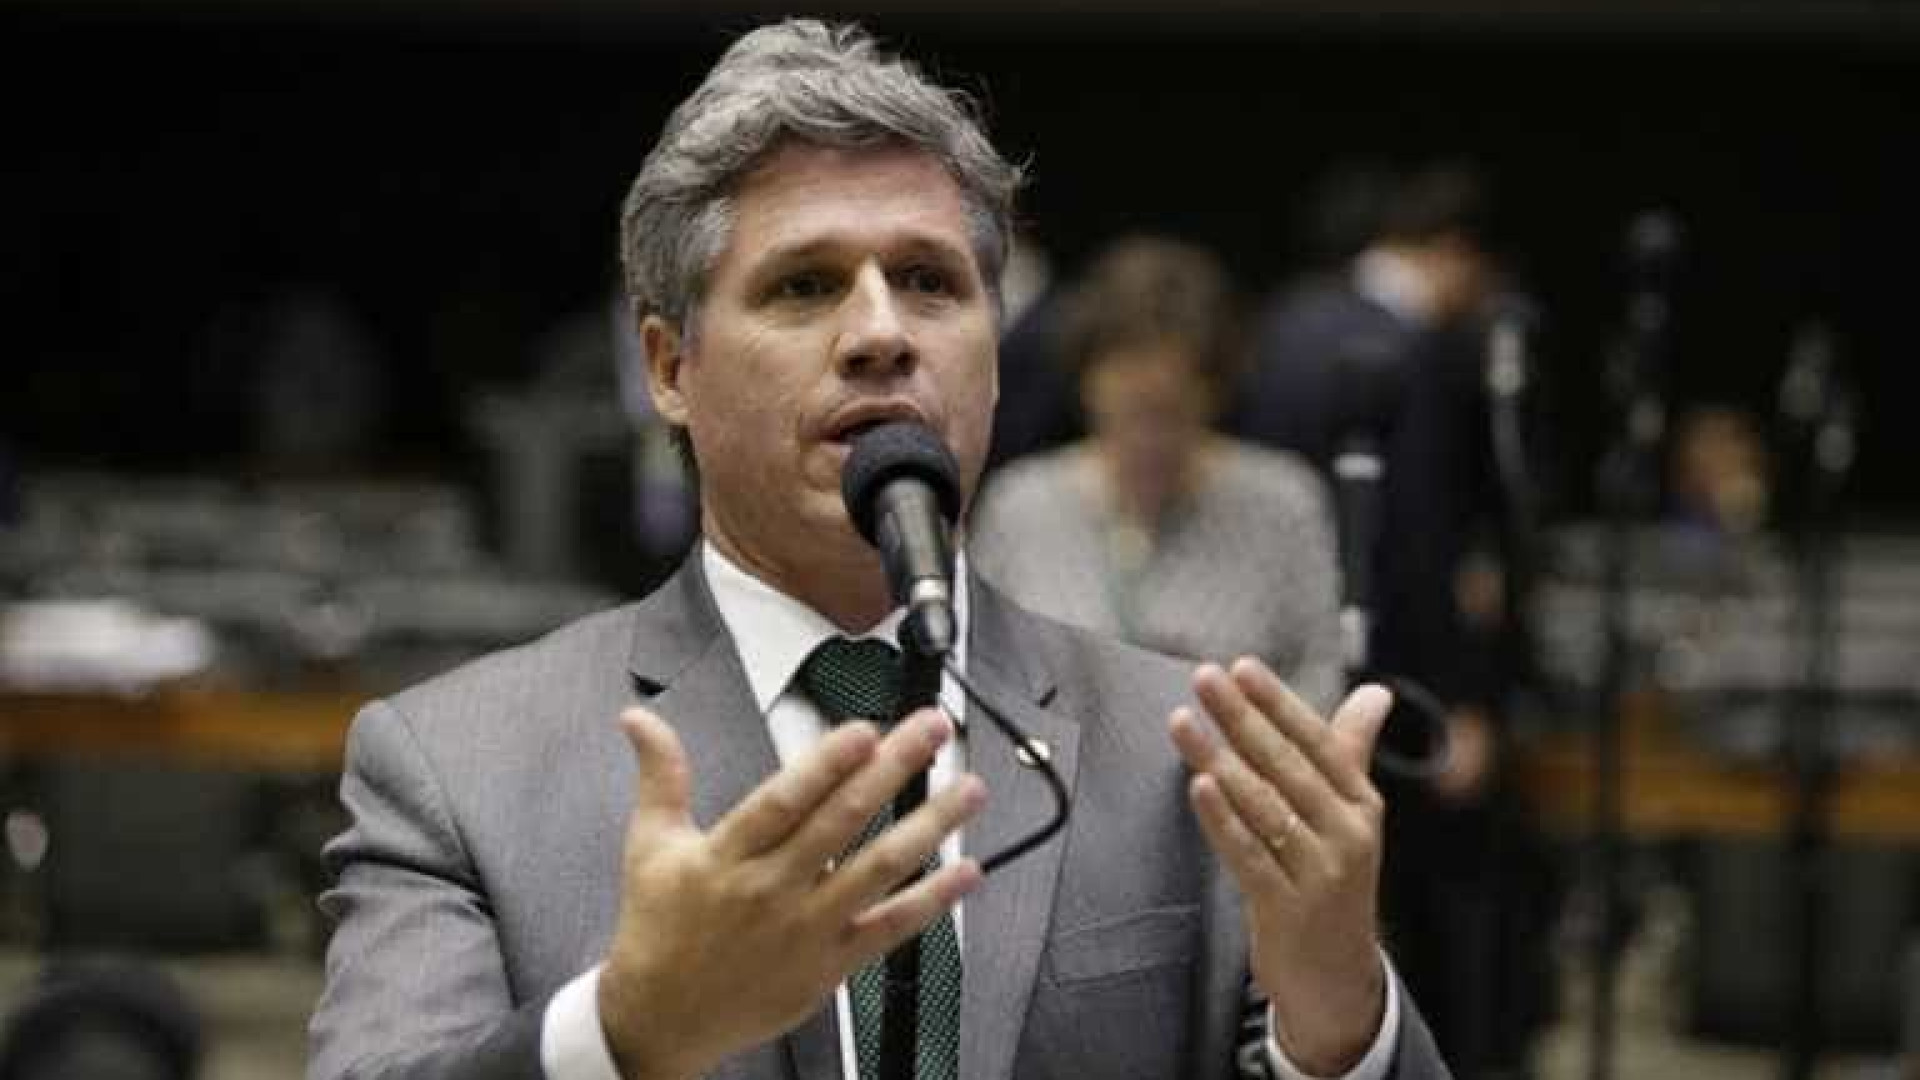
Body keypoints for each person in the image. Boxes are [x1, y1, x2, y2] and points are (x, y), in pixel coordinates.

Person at [308, 20, 1448, 1080]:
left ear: (993, 357)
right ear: (668, 367)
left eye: (929, 282)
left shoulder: (1184, 752)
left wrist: (1337, 1021)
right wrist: (622, 1035)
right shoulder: (459, 770)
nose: (881, 334)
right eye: (804, 286)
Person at [1232, 162, 1548, 1077]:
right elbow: (1418, 540)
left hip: (1285, 669)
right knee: (1428, 928)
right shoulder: (1409, 350)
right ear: (1458, 253)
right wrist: (1460, 700)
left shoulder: (1286, 321)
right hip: (1400, 690)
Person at [970, 234, 1343, 713]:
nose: (1149, 441)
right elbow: (982, 666)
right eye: (1131, 412)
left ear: (1215, 394)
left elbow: (1323, 675)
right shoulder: (1021, 505)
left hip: (1229, 756)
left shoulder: (1283, 502)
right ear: (1086, 385)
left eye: (1170, 413)